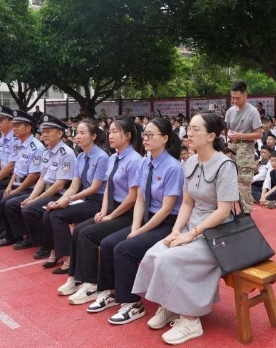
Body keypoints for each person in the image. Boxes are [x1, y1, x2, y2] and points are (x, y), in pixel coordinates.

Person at [131, 112, 239, 345]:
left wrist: (191, 233)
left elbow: (223, 211)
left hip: (217, 233)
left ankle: (191, 320)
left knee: (172, 259)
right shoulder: (190, 162)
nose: (188, 133)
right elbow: (188, 203)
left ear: (211, 136)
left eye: (195, 130)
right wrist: (176, 231)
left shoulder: (225, 165)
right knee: (155, 253)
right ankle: (170, 306)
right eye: (188, 128)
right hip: (192, 226)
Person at [83, 118, 184, 325]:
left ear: (165, 138)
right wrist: (136, 227)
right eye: (145, 134)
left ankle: (132, 303)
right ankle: (110, 292)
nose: (145, 139)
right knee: (108, 243)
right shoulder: (146, 162)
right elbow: (139, 199)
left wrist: (140, 231)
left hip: (166, 223)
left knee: (124, 249)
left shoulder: (173, 167)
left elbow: (166, 210)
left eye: (151, 135)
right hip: (147, 218)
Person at [54, 117, 142, 291]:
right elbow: (108, 186)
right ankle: (75, 277)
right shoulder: (113, 157)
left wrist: (111, 215)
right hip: (111, 207)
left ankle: (92, 283)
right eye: (110, 131)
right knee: (78, 230)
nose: (110, 135)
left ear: (128, 136)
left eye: (115, 131)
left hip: (127, 213)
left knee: (88, 234)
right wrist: (103, 210)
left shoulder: (135, 160)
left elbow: (132, 198)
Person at [36, 119, 109, 268]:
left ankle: (69, 258)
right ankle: (55, 251)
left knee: (57, 216)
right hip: (85, 198)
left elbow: (95, 187)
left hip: (99, 201)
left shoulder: (102, 157)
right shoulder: (81, 157)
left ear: (93, 136)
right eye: (77, 133)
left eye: (82, 133)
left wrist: (69, 200)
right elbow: (74, 185)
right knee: (49, 212)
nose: (78, 136)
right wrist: (59, 201)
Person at [13, 115, 77, 250]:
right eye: (43, 131)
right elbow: (42, 178)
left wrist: (35, 200)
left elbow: (59, 184)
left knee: (30, 209)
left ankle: (47, 245)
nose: (44, 135)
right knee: (23, 205)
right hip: (47, 191)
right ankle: (39, 240)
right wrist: (31, 197)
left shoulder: (66, 153)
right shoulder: (46, 152)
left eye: (49, 131)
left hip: (60, 194)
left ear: (60, 133)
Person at [0, 110, 45, 248]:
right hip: (17, 183)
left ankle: (25, 236)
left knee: (8, 202)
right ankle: (13, 234)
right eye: (13, 125)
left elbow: (34, 176)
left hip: (30, 187)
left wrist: (16, 190)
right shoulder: (19, 145)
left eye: (18, 126)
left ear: (28, 128)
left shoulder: (36, 147)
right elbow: (16, 168)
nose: (14, 128)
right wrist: (9, 186)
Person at [225, 81, 263, 215]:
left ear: (245, 95)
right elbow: (227, 129)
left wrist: (241, 135)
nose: (235, 100)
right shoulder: (230, 111)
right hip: (231, 146)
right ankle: (227, 210)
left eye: (237, 98)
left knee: (244, 181)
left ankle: (246, 211)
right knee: (227, 178)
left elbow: (259, 134)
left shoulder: (252, 112)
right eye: (233, 98)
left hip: (246, 147)